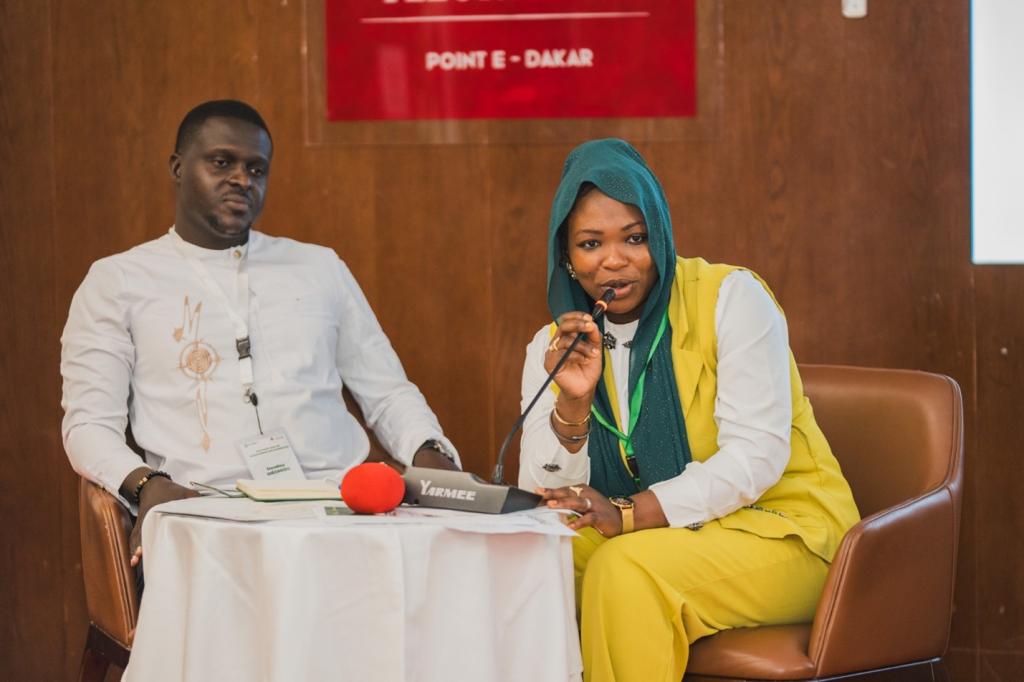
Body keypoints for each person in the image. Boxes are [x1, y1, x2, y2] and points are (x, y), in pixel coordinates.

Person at [517, 138, 859, 681]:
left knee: (625, 573)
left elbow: (755, 458)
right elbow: (546, 492)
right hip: (664, 538)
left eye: (636, 237)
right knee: (530, 567)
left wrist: (630, 514)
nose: (614, 259)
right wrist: (573, 405)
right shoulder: (554, 345)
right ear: (567, 257)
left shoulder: (731, 299)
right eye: (589, 243)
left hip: (784, 534)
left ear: (661, 232)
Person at [61, 100, 459, 567]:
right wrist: (148, 485)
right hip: (207, 515)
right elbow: (88, 425)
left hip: (340, 512)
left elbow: (388, 393)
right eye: (221, 162)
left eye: (257, 168)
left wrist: (431, 454)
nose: (242, 179)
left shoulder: (319, 268)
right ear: (177, 167)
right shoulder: (118, 281)